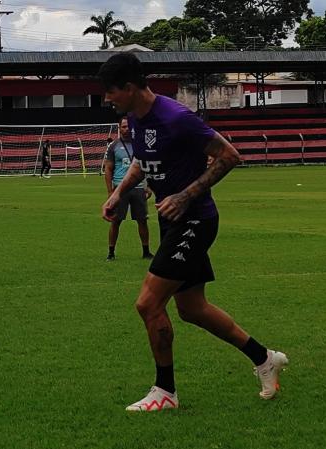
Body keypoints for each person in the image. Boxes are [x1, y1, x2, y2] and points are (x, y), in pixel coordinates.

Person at [98, 52, 288, 412]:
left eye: (111, 92)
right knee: (193, 309)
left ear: (131, 87)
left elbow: (229, 156)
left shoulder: (176, 117)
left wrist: (186, 195)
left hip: (195, 221)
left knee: (148, 303)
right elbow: (143, 160)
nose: (108, 99)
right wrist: (118, 192)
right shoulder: (136, 119)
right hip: (173, 221)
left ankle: (165, 391)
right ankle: (265, 358)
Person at [103, 116, 154, 261]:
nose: (126, 129)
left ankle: (146, 251)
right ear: (119, 128)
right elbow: (108, 169)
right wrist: (110, 191)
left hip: (138, 187)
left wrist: (148, 186)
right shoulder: (113, 146)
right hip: (120, 187)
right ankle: (111, 252)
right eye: (123, 127)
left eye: (128, 127)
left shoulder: (141, 144)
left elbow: (147, 165)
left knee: (142, 220)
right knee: (115, 220)